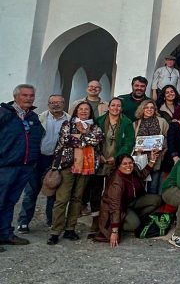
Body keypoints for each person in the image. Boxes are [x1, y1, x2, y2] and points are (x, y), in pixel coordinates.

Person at [48, 101, 104, 245]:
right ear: (76, 111)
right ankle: (55, 231)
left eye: (86, 109)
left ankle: (70, 228)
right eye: (81, 109)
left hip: (87, 166)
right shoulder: (68, 124)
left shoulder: (95, 126)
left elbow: (96, 139)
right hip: (68, 165)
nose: (84, 111)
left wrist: (79, 138)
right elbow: (66, 140)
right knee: (62, 199)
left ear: (90, 112)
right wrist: (85, 139)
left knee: (77, 198)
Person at [0, 85, 45, 249]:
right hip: (5, 165)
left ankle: (5, 233)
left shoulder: (32, 116)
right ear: (16, 96)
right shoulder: (5, 113)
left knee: (11, 201)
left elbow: (38, 134)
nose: (29, 98)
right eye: (25, 95)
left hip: (25, 166)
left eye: (31, 95)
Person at [16, 94, 66, 234]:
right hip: (38, 159)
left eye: (58, 102)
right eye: (52, 102)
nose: (55, 105)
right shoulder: (39, 118)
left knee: (53, 191)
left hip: (55, 160)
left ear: (64, 103)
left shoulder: (68, 120)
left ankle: (51, 221)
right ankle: (24, 222)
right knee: (31, 191)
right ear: (48, 104)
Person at [91, 153, 162, 246]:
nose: (128, 166)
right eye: (124, 164)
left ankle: (134, 216)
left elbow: (142, 175)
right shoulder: (116, 182)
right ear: (118, 166)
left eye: (130, 163)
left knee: (156, 200)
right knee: (134, 224)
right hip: (119, 207)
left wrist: (152, 161)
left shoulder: (133, 169)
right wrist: (114, 231)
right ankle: (123, 223)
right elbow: (115, 206)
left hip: (132, 201)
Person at [88, 98, 135, 231]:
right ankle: (96, 219)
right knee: (96, 191)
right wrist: (100, 156)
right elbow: (93, 140)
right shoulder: (100, 121)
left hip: (116, 161)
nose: (115, 108)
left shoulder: (127, 123)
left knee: (112, 192)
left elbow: (129, 142)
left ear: (121, 108)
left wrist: (116, 157)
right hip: (100, 160)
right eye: (113, 105)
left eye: (118, 106)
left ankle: (109, 219)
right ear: (108, 107)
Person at [131, 99, 170, 194]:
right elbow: (132, 141)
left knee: (154, 186)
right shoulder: (135, 124)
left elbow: (167, 137)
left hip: (156, 158)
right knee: (140, 184)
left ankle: (152, 206)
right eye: (146, 107)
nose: (149, 109)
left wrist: (161, 147)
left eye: (152, 107)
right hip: (141, 158)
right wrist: (136, 148)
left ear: (155, 109)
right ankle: (141, 206)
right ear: (142, 109)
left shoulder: (162, 121)